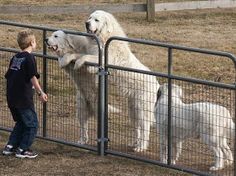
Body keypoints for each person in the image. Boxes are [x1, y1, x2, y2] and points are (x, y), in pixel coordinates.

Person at [2, 29, 48, 159]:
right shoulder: (29, 58)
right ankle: (23, 149)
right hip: (23, 99)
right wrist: (40, 92)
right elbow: (32, 77)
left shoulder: (15, 58)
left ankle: (10, 146)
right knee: (32, 124)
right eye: (35, 41)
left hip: (12, 97)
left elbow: (9, 76)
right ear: (32, 43)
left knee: (21, 122)